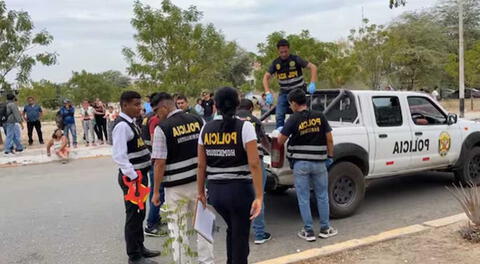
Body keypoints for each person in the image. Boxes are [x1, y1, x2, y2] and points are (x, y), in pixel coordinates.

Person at [197, 87, 263, 264]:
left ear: (215, 106)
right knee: (240, 237)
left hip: (216, 193)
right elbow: (254, 164)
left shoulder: (206, 129)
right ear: (237, 104)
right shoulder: (245, 127)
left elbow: (201, 165)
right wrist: (259, 196)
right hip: (240, 192)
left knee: (232, 230)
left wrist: (200, 192)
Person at [150, 92, 213, 264]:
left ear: (164, 107)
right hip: (198, 184)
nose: (156, 115)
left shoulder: (162, 129)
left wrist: (155, 191)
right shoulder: (198, 120)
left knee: (178, 230)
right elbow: (207, 149)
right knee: (202, 226)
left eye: (156, 111)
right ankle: (207, 261)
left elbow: (159, 163)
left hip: (175, 188)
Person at [277, 89, 337, 242]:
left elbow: (280, 141)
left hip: (300, 164)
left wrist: (282, 131)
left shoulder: (293, 119)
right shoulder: (320, 116)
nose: (290, 106)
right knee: (322, 196)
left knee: (303, 198)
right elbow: (329, 139)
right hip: (319, 163)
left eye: (290, 104)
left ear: (295, 104)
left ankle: (308, 231)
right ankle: (325, 228)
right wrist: (330, 157)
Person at [112, 91, 160, 264]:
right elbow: (119, 156)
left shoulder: (131, 123)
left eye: (140, 104)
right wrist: (134, 177)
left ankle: (140, 248)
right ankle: (134, 256)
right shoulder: (122, 126)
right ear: (125, 105)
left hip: (140, 176)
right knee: (133, 216)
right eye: (136, 104)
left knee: (140, 214)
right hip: (133, 179)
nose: (140, 108)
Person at [236, 98, 272, 245]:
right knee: (258, 196)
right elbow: (263, 140)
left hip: (237, 163)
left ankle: (241, 232)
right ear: (251, 108)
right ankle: (259, 234)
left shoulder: (232, 119)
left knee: (241, 197)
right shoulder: (256, 120)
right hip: (255, 161)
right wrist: (271, 153)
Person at [263, 39, 318, 129]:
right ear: (278, 51)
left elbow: (313, 67)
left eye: (285, 51)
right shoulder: (276, 63)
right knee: (279, 115)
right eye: (281, 52)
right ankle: (279, 134)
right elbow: (265, 78)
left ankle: (303, 132)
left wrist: (312, 83)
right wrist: (267, 92)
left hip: (298, 91)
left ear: (289, 49)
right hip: (284, 92)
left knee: (301, 115)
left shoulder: (295, 59)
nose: (284, 54)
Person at [141, 93, 167, 237]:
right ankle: (151, 224)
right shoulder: (155, 119)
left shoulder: (148, 116)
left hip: (150, 156)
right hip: (155, 159)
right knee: (157, 192)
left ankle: (155, 219)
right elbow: (154, 139)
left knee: (156, 191)